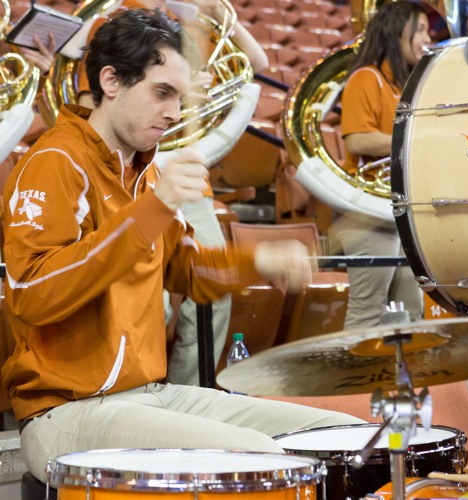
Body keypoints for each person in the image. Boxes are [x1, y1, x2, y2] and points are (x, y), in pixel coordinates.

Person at [1, 9, 364, 484]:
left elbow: (190, 273)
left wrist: (258, 263)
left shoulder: (145, 172)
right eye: (161, 93)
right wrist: (156, 207)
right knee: (258, 459)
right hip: (66, 412)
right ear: (111, 81)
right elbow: (34, 294)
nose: (174, 112)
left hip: (152, 393)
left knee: (344, 435)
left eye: (179, 96)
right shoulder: (55, 161)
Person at [75, 0, 268, 386]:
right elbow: (90, 106)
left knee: (215, 292)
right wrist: (168, 94)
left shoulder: (189, 25)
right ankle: (136, 391)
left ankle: (191, 394)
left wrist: (216, 11)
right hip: (133, 174)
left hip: (185, 174)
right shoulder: (119, 21)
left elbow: (258, 63)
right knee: (151, 299)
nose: (176, 109)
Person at [336, 1, 430, 329]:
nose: (427, 37)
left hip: (397, 211)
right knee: (368, 314)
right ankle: (355, 383)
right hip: (366, 214)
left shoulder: (399, 86)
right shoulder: (366, 77)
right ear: (396, 32)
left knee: (410, 314)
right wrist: (414, 136)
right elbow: (357, 141)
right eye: (420, 29)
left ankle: (398, 382)